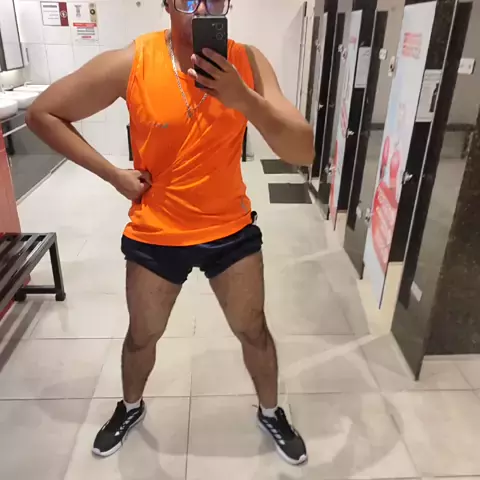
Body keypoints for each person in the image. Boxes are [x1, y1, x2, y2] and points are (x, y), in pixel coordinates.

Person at [26, 0, 314, 466]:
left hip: (230, 230)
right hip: (156, 233)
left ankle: (270, 410)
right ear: (166, 3)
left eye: (212, 0)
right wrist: (113, 175)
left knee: (253, 330)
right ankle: (130, 406)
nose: (199, 10)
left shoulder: (248, 61)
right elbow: (43, 114)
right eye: (186, 0)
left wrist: (244, 99)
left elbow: (302, 151)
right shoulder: (134, 61)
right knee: (142, 336)